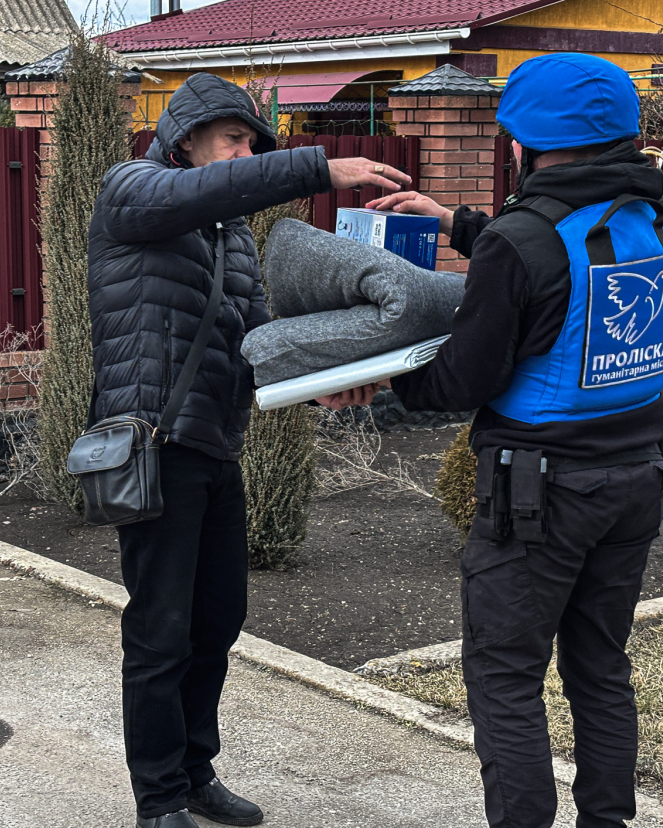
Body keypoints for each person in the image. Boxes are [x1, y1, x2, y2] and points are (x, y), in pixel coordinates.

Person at [329, 53, 663, 828]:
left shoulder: (520, 242)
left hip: (541, 498)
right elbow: (563, 252)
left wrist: (381, 377)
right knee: (599, 667)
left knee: (506, 677)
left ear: (521, 144)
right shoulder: (655, 216)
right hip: (638, 480)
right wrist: (459, 225)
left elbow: (463, 379)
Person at [89, 71, 410, 828]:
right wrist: (312, 167)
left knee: (217, 621)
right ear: (188, 138)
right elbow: (195, 195)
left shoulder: (230, 237)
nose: (244, 152)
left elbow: (258, 342)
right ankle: (159, 797)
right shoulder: (131, 190)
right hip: (153, 443)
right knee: (160, 630)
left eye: (252, 144)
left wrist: (326, 381)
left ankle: (196, 772)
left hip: (213, 445)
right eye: (235, 138)